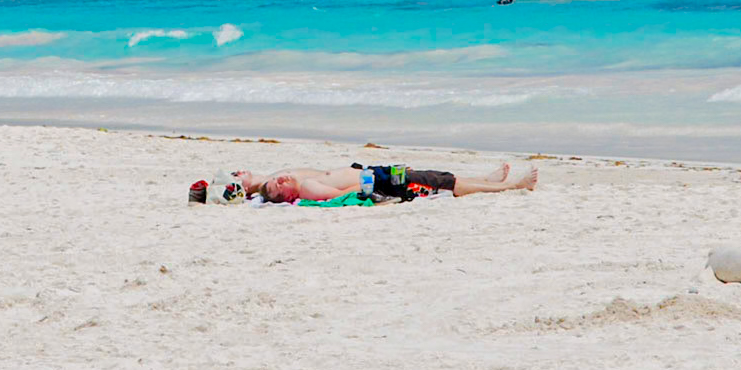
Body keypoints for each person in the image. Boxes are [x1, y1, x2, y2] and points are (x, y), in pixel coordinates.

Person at [231, 161, 538, 204]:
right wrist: (369, 184)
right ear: (287, 195)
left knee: (440, 178)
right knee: (448, 185)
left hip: (379, 174)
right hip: (383, 182)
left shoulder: (299, 181)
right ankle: (512, 186)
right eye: (276, 185)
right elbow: (343, 193)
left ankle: (485, 179)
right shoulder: (308, 190)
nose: (279, 179)